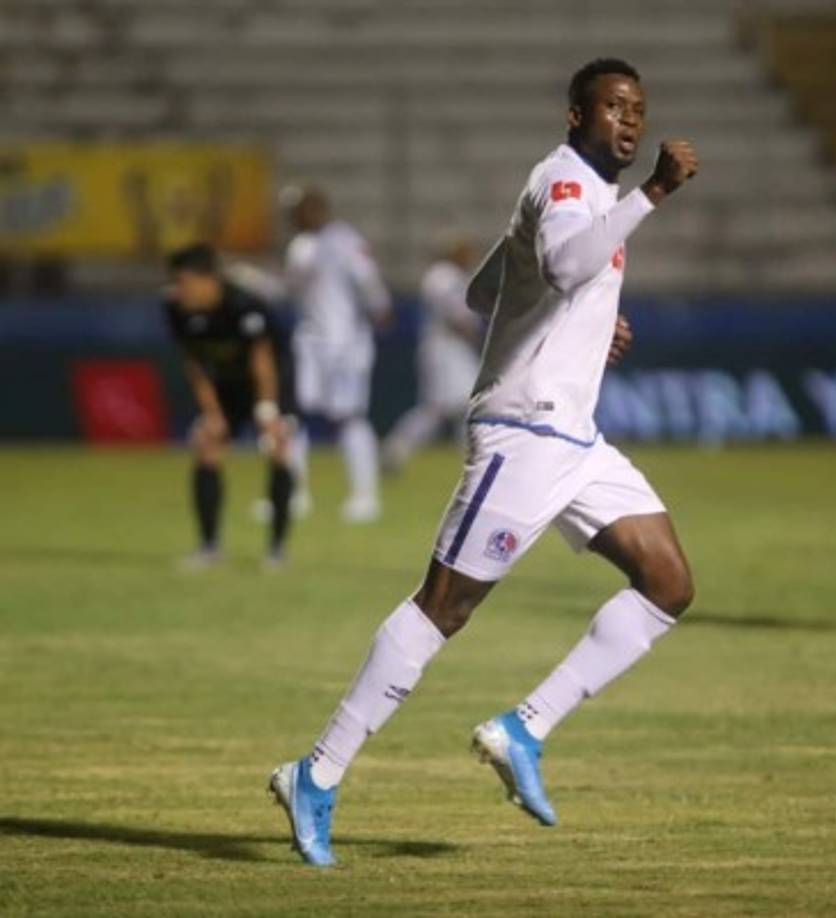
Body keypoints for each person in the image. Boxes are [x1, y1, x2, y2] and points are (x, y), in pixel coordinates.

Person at [269, 57, 699, 867]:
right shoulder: (574, 182)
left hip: (574, 438)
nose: (631, 122)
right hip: (523, 435)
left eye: (638, 109)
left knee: (668, 582)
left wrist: (577, 320)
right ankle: (315, 772)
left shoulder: (579, 193)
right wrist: (657, 191)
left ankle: (522, 729)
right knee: (443, 608)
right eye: (613, 107)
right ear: (577, 116)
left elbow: (486, 293)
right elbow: (569, 264)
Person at [163, 243, 295, 569]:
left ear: (208, 279)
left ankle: (277, 550)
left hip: (270, 383)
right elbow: (194, 363)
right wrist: (212, 413)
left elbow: (262, 362)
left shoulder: (244, 305)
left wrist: (267, 411)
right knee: (206, 444)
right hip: (224, 385)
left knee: (277, 448)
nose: (178, 290)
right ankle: (209, 547)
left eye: (183, 282)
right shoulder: (175, 310)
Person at [283, 187, 393, 523]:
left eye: (298, 210)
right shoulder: (299, 247)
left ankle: (365, 496)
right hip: (310, 341)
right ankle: (292, 493)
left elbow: (369, 283)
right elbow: (294, 292)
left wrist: (380, 309)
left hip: (346, 343)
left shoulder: (346, 240)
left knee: (349, 416)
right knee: (294, 415)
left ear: (316, 208)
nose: (292, 218)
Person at [381, 237, 484, 474]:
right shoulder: (443, 277)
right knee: (439, 409)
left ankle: (473, 460)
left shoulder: (449, 276)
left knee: (462, 407)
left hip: (452, 349)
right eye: (464, 251)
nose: (469, 257)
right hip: (445, 348)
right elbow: (458, 318)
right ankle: (397, 447)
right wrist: (478, 335)